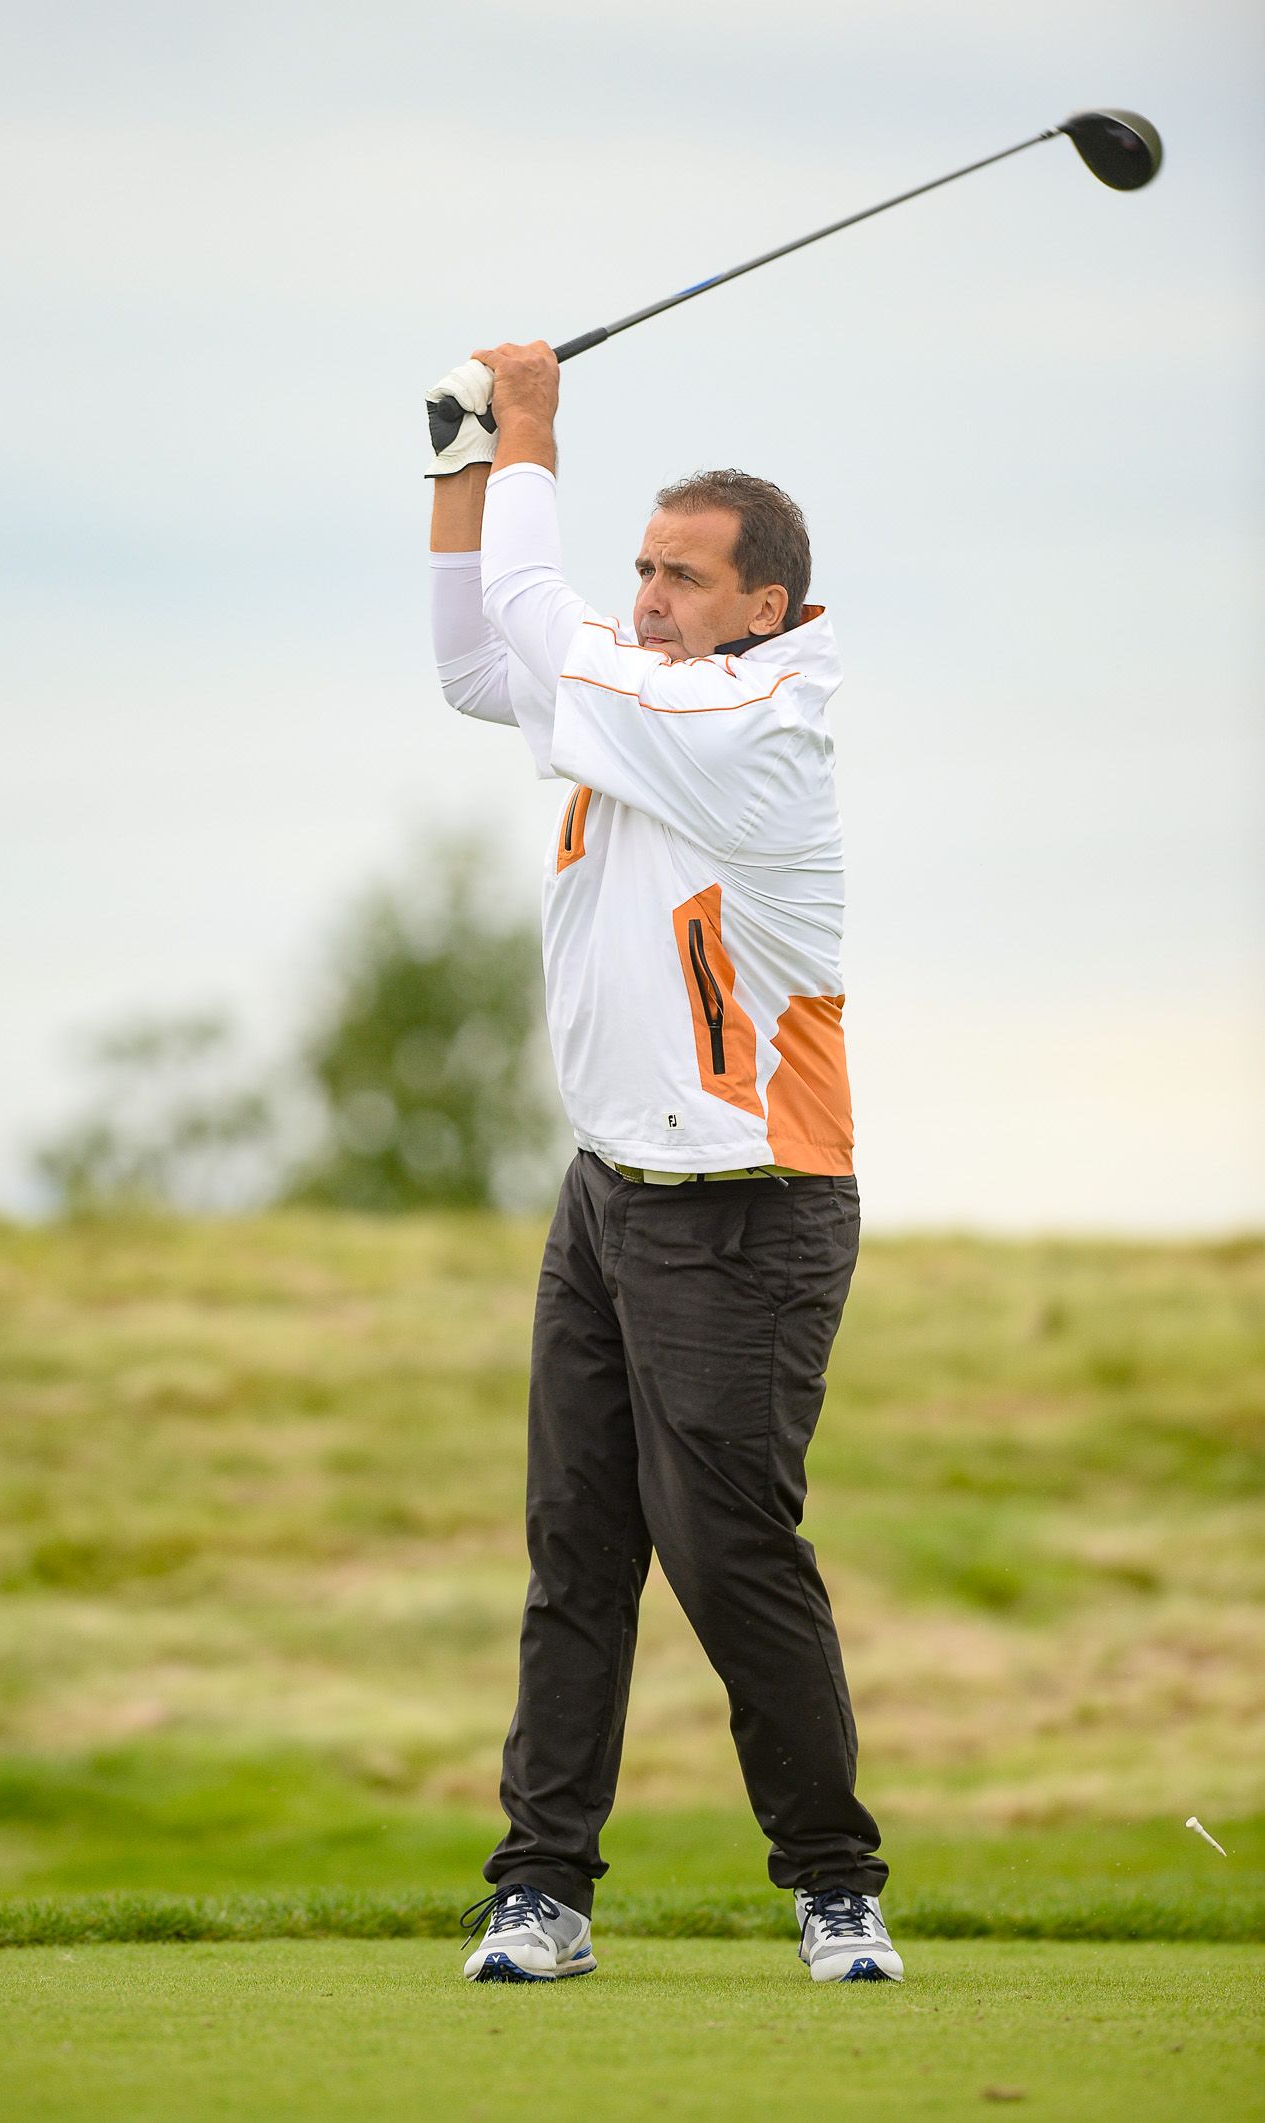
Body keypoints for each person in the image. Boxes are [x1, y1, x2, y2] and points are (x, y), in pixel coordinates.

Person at [426, 340, 901, 1986]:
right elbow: (475, 660)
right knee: (576, 1547)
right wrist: (459, 471)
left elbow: (532, 614)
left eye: (681, 578)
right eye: (638, 568)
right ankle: (540, 1890)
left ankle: (835, 1885)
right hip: (608, 1192)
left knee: (730, 1555)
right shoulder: (642, 702)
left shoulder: (746, 722)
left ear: (764, 606)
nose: (645, 598)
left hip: (751, 1210)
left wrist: (529, 431)